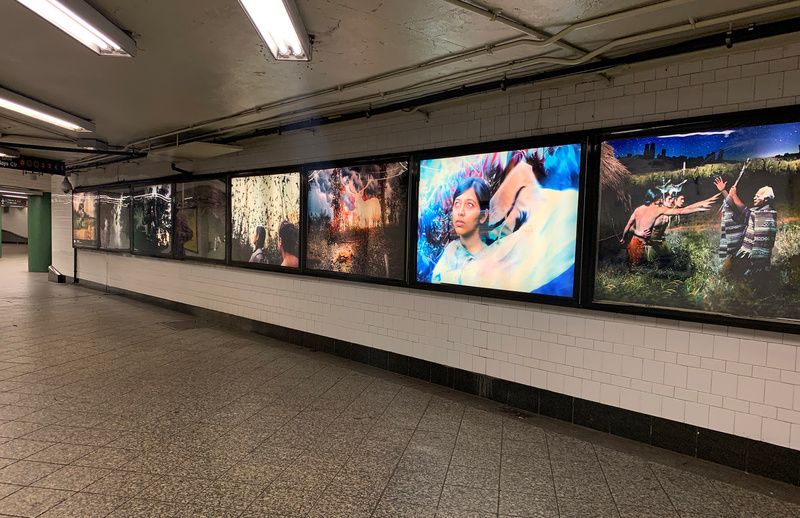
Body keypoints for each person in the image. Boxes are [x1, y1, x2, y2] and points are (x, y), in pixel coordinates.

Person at [620, 189, 719, 266]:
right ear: (659, 199)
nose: (671, 201)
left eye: (672, 199)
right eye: (668, 199)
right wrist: (638, 233)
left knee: (645, 268)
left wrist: (701, 205)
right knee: (637, 268)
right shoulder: (657, 210)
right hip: (642, 244)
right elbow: (630, 226)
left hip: (648, 243)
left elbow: (683, 209)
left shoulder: (643, 209)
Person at [431, 177, 490, 284]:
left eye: (469, 205)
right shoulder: (451, 250)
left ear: (483, 216)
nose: (460, 212)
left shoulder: (490, 260)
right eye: (457, 204)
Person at [726, 184, 778, 277]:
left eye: (757, 196)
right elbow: (745, 211)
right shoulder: (759, 212)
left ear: (765, 199)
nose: (754, 198)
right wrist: (733, 195)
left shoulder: (765, 216)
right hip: (745, 256)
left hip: (750, 259)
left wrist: (755, 267)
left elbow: (761, 245)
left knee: (736, 279)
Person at [714, 176, 748, 271]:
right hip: (731, 252)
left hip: (736, 254)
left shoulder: (739, 213)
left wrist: (724, 191)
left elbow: (732, 204)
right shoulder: (730, 212)